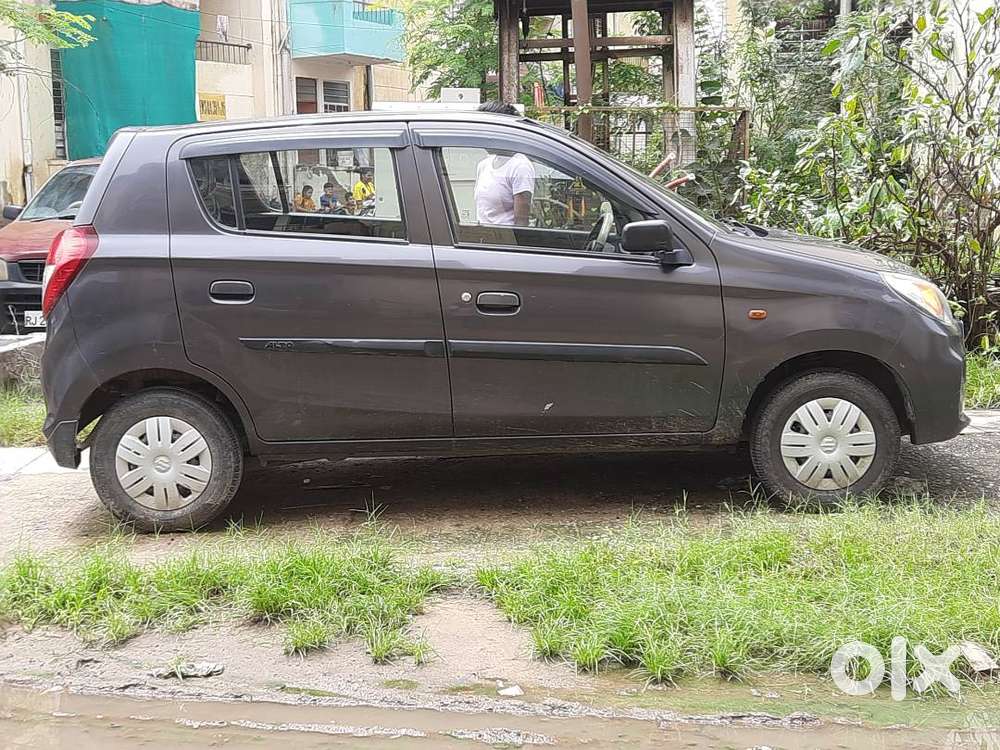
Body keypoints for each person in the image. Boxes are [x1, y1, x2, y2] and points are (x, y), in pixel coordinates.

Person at [474, 102, 534, 226]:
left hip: (504, 241)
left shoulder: (520, 166)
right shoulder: (484, 165)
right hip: (482, 240)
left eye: (486, 131)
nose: (481, 136)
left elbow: (521, 221)